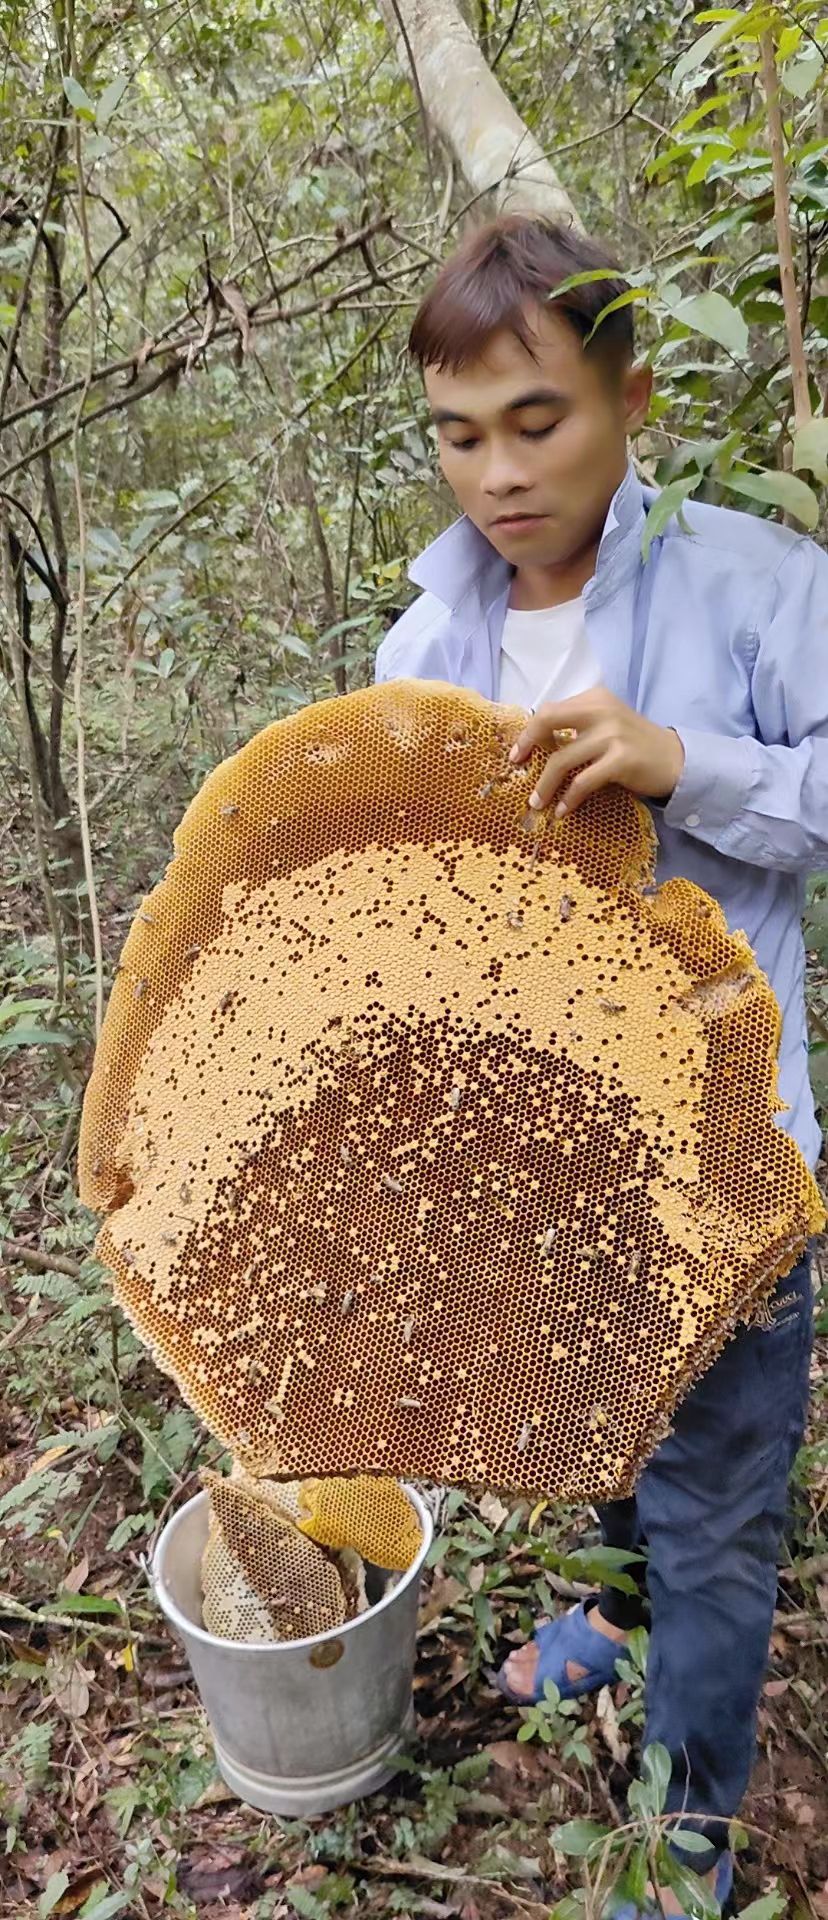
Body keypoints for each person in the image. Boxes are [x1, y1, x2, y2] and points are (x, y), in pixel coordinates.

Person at [374, 213, 828, 1915]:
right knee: (604, 1431)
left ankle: (689, 1830)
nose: (496, 471)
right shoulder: (427, 644)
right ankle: (605, 1615)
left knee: (720, 1510)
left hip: (728, 1173)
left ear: (632, 396)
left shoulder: (757, 587)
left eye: (539, 417)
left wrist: (683, 761)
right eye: (459, 431)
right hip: (545, 1165)